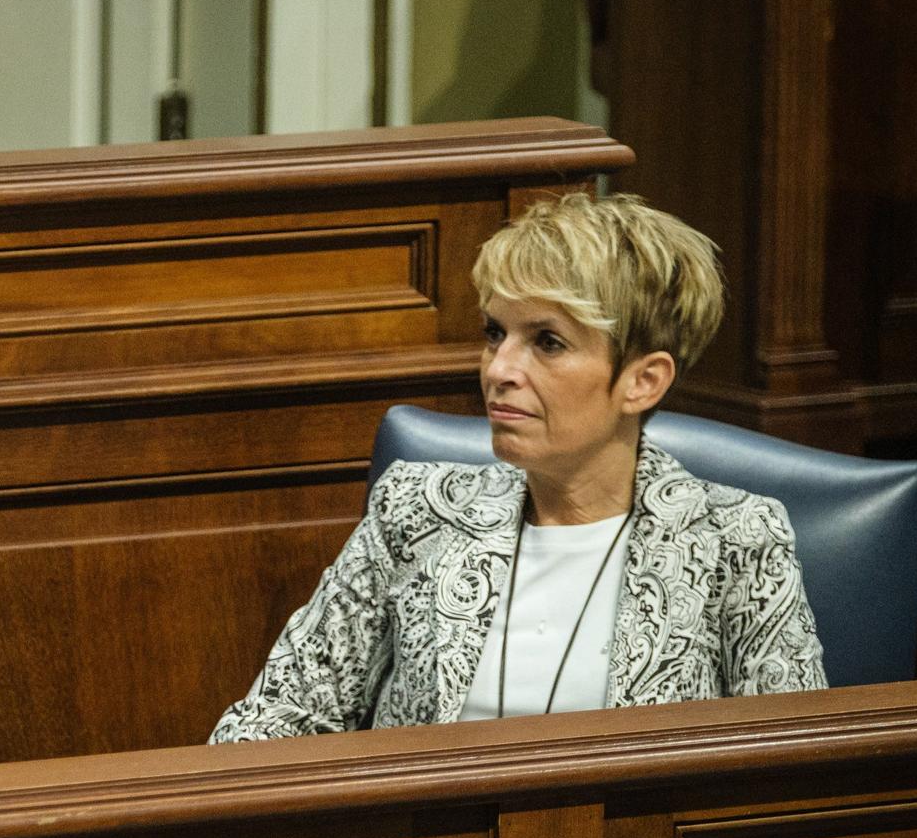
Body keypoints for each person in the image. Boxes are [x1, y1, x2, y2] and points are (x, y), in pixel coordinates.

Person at [210, 192, 826, 741]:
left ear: (643, 381)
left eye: (547, 342)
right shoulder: (418, 509)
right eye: (494, 332)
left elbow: (792, 777)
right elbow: (279, 714)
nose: (499, 369)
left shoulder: (736, 541)